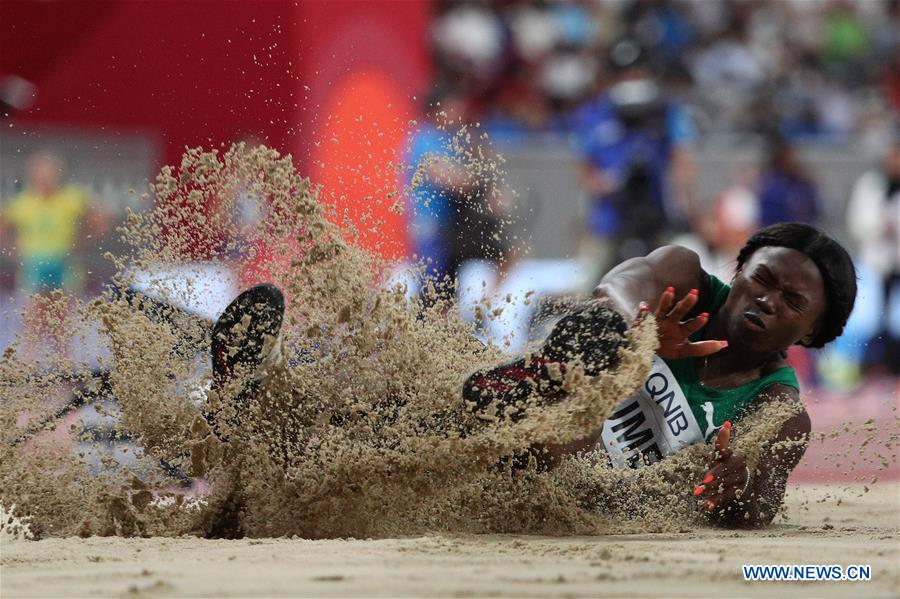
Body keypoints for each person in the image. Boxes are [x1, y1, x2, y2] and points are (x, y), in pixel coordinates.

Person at [208, 222, 856, 528]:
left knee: (563, 434)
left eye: (791, 301)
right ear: (737, 271)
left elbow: (761, 497)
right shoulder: (684, 277)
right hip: (518, 421)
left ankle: (268, 420)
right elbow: (621, 282)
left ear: (810, 333)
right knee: (594, 338)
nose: (767, 299)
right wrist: (641, 332)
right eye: (761, 278)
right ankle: (262, 404)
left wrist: (737, 488)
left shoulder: (778, 410)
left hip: (579, 496)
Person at [571, 37, 696, 281]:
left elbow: (681, 159)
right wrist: (604, 184)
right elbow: (584, 169)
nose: (630, 80)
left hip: (658, 215)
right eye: (623, 75)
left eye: (636, 73)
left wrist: (684, 206)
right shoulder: (593, 114)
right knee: (590, 283)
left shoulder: (666, 111)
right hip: (608, 219)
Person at [846, 142, 900, 374]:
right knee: (872, 317)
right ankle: (868, 365)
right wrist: (880, 226)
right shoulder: (871, 185)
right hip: (876, 262)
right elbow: (858, 221)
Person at [757, 137, 821, 227]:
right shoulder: (770, 185)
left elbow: (815, 211)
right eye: (788, 157)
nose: (793, 161)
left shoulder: (804, 183)